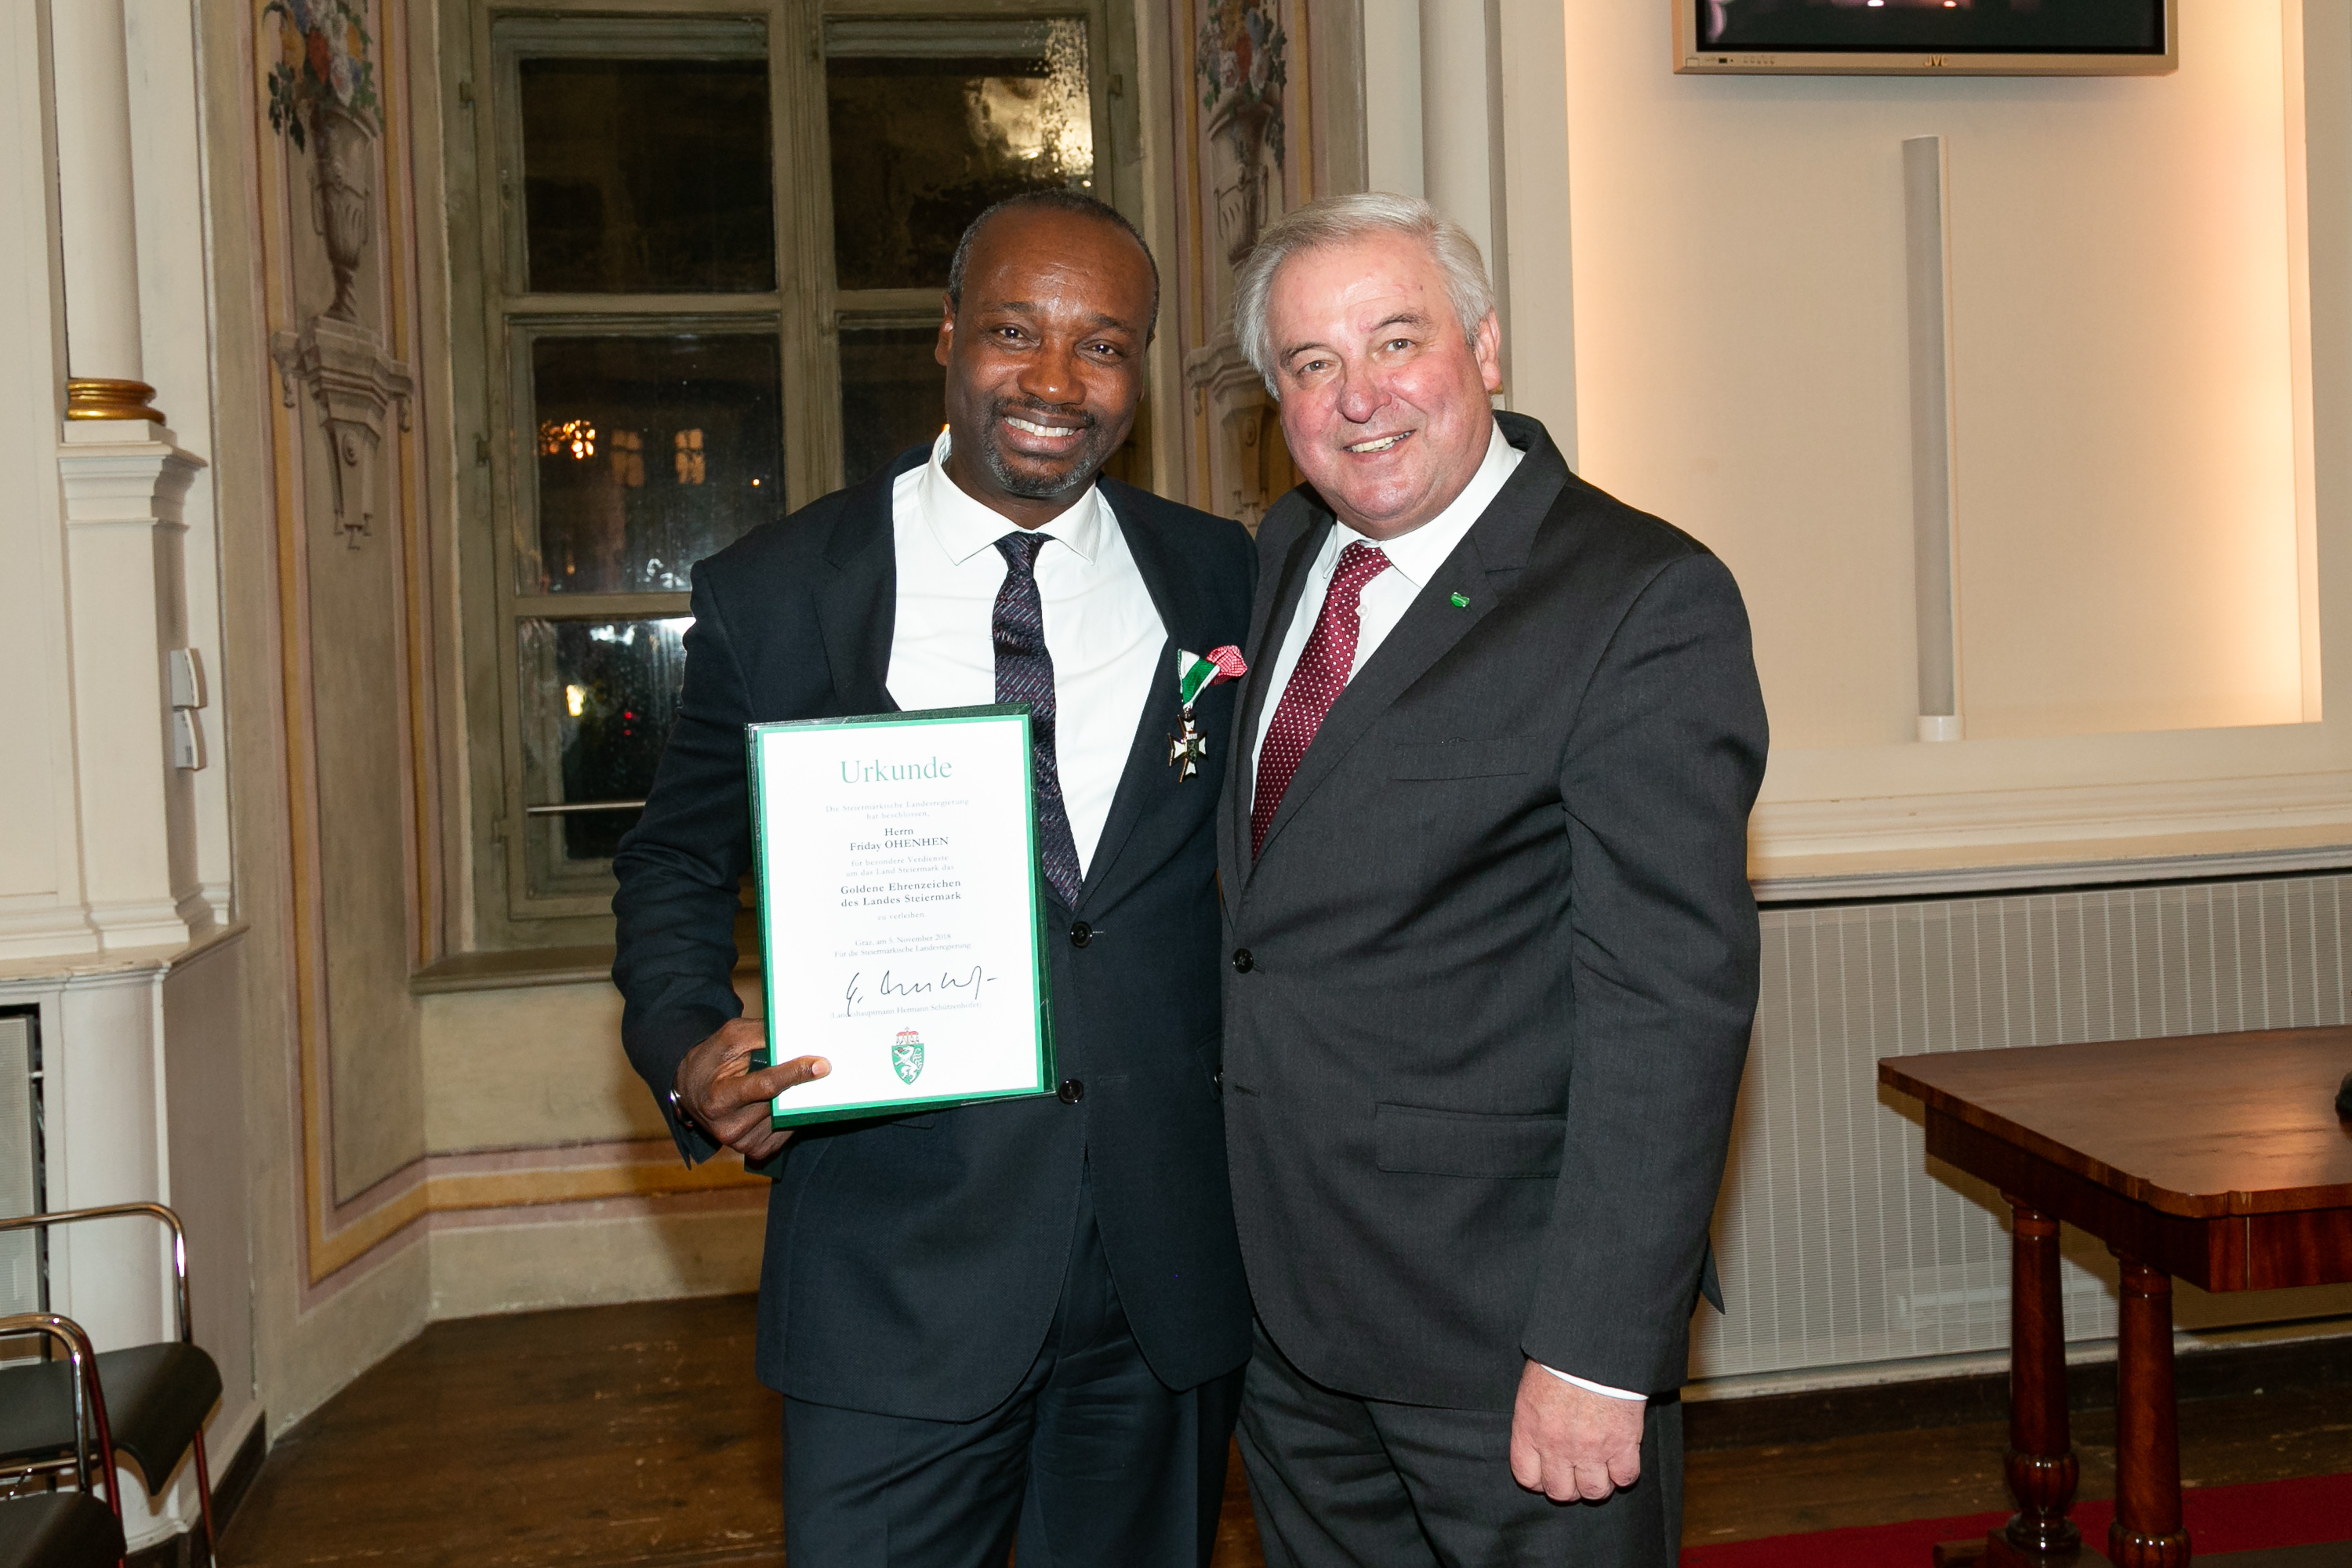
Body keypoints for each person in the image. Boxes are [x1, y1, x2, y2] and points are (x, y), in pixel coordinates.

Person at [612, 190, 1255, 1567]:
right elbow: (673, 858)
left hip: (1164, 1267)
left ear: (1141, 371)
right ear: (949, 334)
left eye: (1104, 345)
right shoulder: (781, 589)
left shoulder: (1217, 576)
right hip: (893, 1271)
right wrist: (688, 1044)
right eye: (1017, 331)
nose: (1056, 380)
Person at [1215, 191, 1769, 1565]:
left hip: (1506, 1336)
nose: (1359, 398)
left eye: (1397, 341)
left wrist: (1596, 1349)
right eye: (1312, 364)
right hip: (1287, 1320)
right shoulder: (1286, 555)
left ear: (1488, 346)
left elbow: (1671, 1004)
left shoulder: (1640, 599)